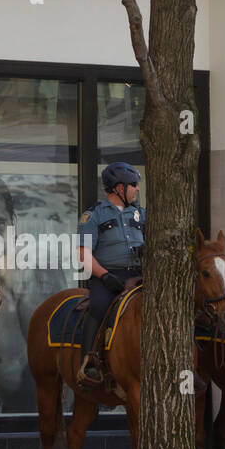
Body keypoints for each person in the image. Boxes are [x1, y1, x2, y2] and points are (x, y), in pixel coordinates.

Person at [76, 162, 145, 385]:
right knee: (98, 306)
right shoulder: (93, 216)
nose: (138, 189)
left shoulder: (141, 215)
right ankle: (90, 363)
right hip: (106, 278)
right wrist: (105, 276)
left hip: (139, 276)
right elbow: (82, 254)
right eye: (134, 185)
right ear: (119, 188)